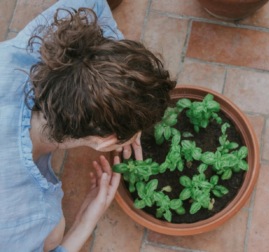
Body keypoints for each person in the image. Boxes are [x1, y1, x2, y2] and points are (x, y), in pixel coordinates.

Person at [0, 0, 176, 251]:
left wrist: (115, 90)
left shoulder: (25, 52)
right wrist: (85, 221)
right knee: (53, 232)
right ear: (105, 141)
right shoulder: (28, 214)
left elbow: (93, 4)